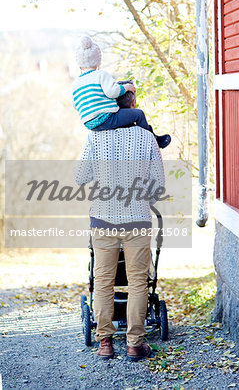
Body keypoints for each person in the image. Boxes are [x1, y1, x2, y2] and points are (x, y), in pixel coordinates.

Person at [74, 90, 165, 361]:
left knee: (102, 282)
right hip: (137, 218)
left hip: (103, 218)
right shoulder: (146, 137)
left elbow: (80, 176)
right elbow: (158, 186)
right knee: (138, 281)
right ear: (133, 105)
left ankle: (105, 344)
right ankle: (135, 345)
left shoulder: (94, 137)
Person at [72, 35, 171, 149]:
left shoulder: (76, 83)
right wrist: (127, 87)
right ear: (97, 61)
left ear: (79, 64)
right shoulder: (100, 75)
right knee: (138, 115)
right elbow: (112, 92)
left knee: (127, 117)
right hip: (107, 118)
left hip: (90, 124)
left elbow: (75, 105)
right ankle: (154, 141)